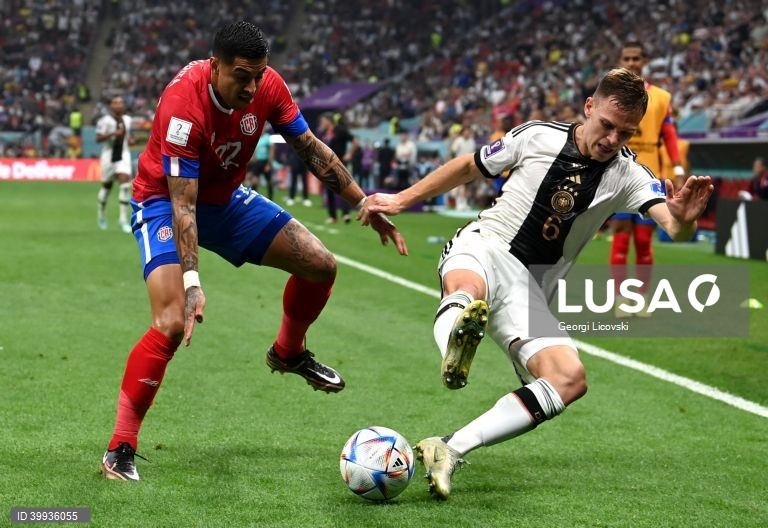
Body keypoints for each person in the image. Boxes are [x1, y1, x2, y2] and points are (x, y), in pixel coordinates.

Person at [361, 68, 713, 500]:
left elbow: (671, 226)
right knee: (468, 288)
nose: (612, 139)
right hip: (487, 243)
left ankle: (449, 448)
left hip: (530, 291)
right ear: (589, 107)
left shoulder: (629, 174)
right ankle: (454, 342)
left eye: (625, 132)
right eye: (606, 125)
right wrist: (400, 199)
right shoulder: (537, 135)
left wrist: (683, 220)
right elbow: (468, 168)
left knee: (569, 378)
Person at [100, 21, 407, 482]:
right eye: (241, 75)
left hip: (224, 200)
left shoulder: (268, 85)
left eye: (258, 74)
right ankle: (120, 448)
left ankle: (288, 352)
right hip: (163, 200)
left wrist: (361, 200)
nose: (252, 86)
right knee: (168, 321)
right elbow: (184, 205)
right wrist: (192, 281)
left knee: (321, 265)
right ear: (214, 66)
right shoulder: (184, 107)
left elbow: (310, 148)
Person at [609, 41, 686, 318]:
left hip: (649, 174)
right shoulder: (610, 95)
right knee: (620, 239)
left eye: (636, 58)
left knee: (643, 242)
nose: (631, 63)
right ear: (620, 60)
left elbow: (669, 134)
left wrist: (677, 166)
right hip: (617, 171)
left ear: (644, 61)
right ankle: (620, 300)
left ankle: (640, 300)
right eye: (626, 58)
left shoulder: (662, 98)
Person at [95, 95, 134, 233]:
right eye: (115, 102)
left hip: (123, 155)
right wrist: (113, 134)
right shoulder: (104, 121)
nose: (118, 105)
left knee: (125, 186)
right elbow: (98, 138)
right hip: (108, 156)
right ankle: (101, 216)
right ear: (111, 105)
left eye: (120, 102)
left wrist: (130, 140)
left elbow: (129, 136)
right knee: (107, 187)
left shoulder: (128, 120)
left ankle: (123, 220)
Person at [318, 113, 353, 223]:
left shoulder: (340, 130)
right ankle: (333, 217)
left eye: (323, 121)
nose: (322, 123)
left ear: (329, 121)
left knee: (344, 189)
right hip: (327, 166)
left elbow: (355, 140)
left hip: (340, 163)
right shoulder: (323, 133)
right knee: (329, 191)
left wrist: (350, 153)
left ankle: (346, 214)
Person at [246, 132, 275, 200]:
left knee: (269, 181)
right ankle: (253, 198)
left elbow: (271, 151)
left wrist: (269, 164)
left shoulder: (267, 137)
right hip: (257, 162)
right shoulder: (256, 137)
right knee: (254, 180)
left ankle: (270, 198)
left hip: (265, 162)